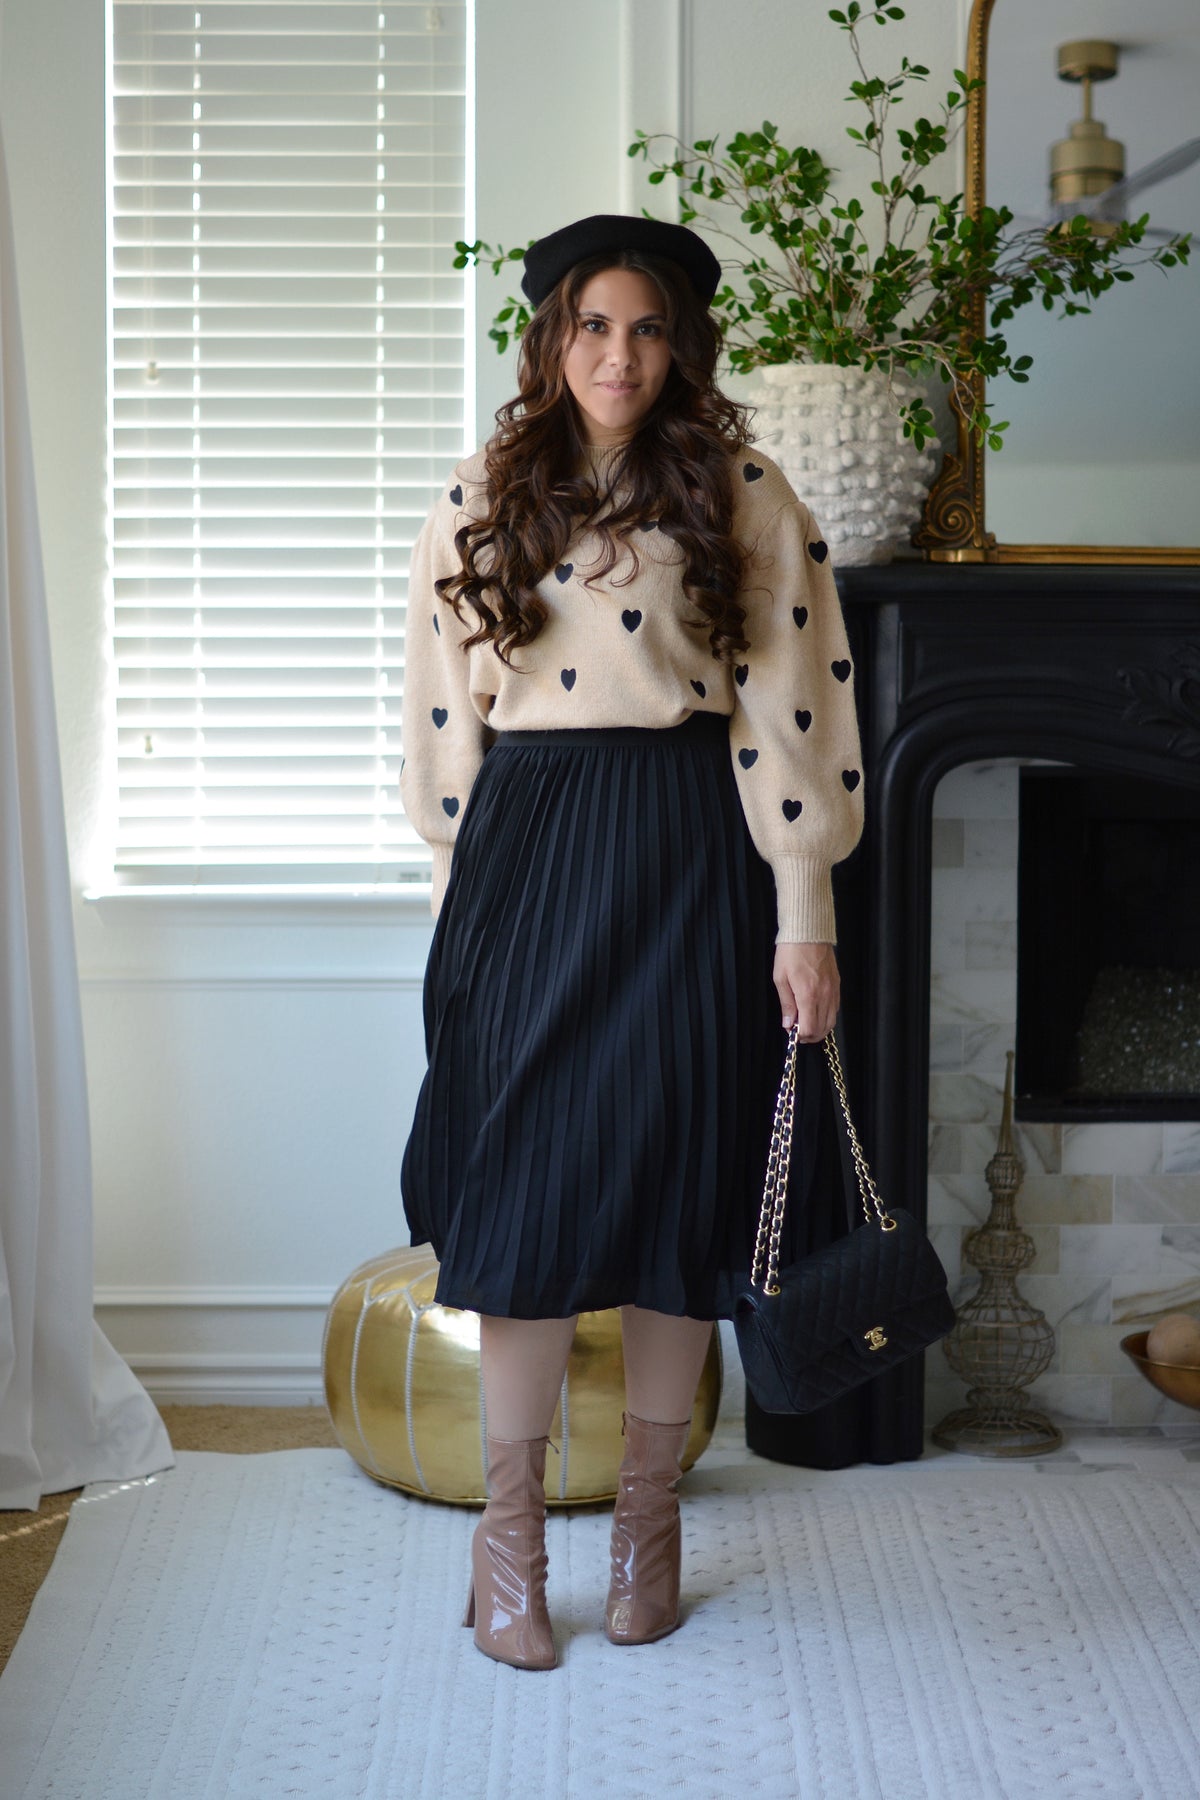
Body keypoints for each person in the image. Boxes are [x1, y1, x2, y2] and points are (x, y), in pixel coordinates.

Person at [398, 213, 864, 1671]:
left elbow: (794, 705)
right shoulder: (483, 493)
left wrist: (803, 915)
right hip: (525, 860)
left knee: (680, 1197)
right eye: (594, 325)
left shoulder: (742, 491)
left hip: (690, 852)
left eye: (648, 327)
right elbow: (442, 716)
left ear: (683, 345)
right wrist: (456, 915)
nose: (619, 355)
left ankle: (649, 1533)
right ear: (552, 339)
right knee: (523, 1212)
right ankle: (510, 1550)